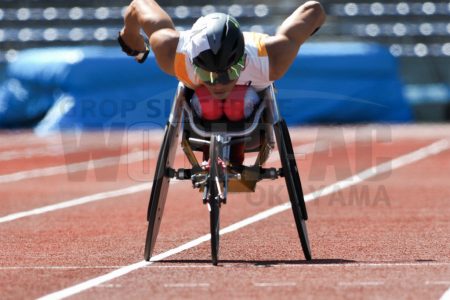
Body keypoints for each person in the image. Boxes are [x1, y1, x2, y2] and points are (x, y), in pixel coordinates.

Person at [119, 0, 326, 165]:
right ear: (193, 62)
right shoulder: (173, 51)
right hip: (205, 103)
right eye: (208, 76)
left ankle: (234, 151)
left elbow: (314, 9)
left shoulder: (271, 57)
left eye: (229, 73)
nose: (218, 84)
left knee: (231, 103)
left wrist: (304, 32)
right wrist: (132, 38)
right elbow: (139, 4)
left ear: (243, 61)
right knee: (211, 103)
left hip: (252, 113)